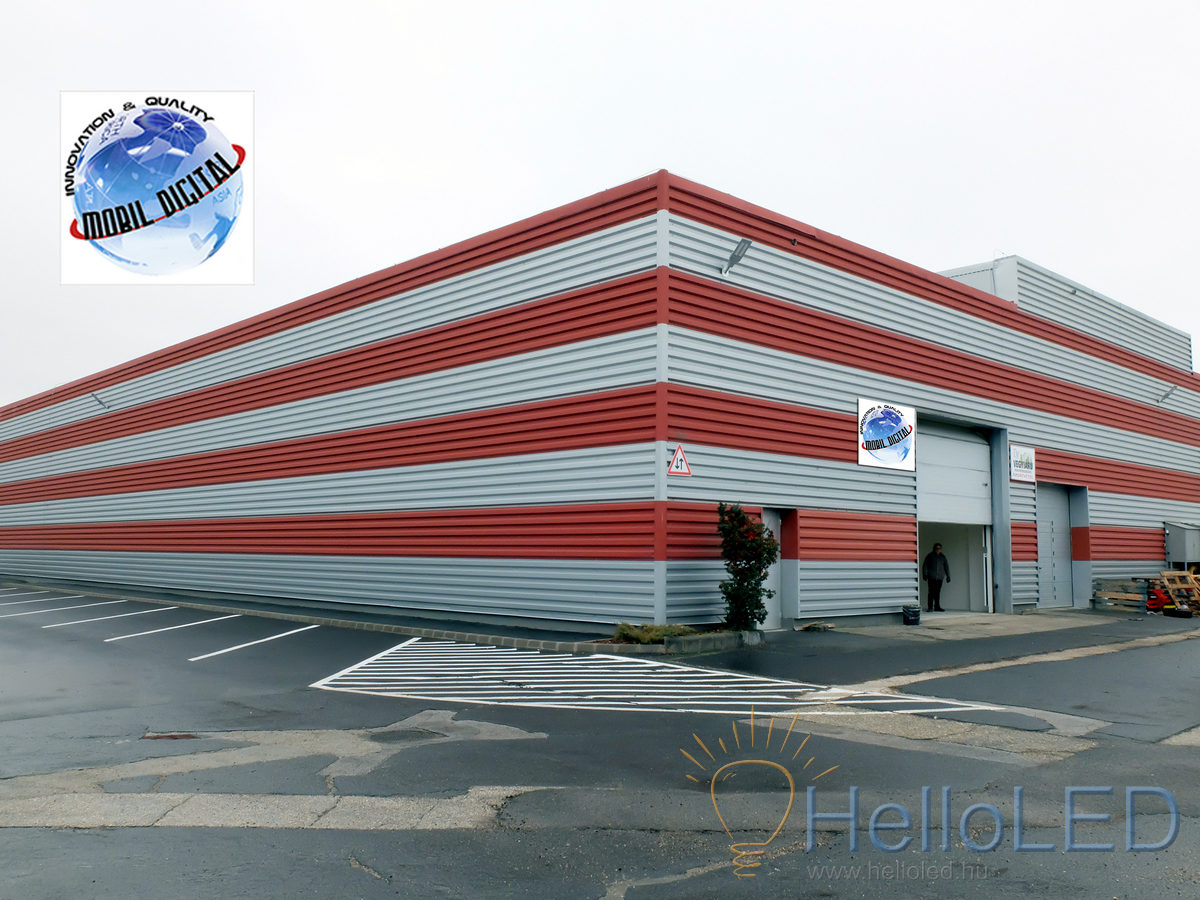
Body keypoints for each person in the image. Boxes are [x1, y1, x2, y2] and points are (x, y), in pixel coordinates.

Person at [922, 543, 950, 612]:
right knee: (931, 592)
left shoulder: (943, 557)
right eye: (937, 548)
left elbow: (946, 567)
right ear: (934, 549)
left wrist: (948, 576)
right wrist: (924, 574)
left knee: (937, 592)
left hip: (940, 578)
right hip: (931, 577)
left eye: (939, 548)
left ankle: (937, 607)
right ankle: (930, 607)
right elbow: (925, 565)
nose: (938, 550)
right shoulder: (930, 556)